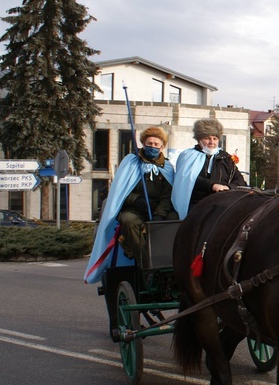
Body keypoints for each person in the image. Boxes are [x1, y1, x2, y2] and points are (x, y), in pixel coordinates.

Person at [84, 126, 176, 283]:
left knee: (174, 220)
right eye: (149, 143)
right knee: (129, 221)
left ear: (162, 147)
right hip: (135, 208)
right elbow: (120, 191)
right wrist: (136, 200)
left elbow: (168, 195)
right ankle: (146, 265)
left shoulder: (167, 167)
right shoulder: (131, 163)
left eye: (156, 144)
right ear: (143, 144)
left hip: (158, 208)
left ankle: (171, 263)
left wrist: (160, 213)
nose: (152, 146)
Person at [172, 118, 247, 219]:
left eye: (215, 139)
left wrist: (228, 187)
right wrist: (212, 185)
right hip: (197, 204)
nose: (212, 142)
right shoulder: (188, 155)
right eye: (207, 138)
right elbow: (188, 179)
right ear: (199, 139)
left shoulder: (225, 158)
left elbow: (240, 180)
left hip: (222, 203)